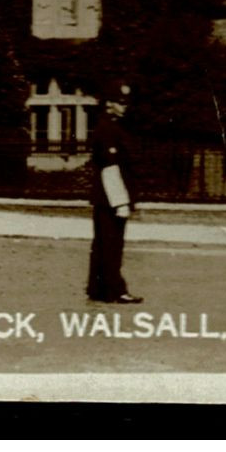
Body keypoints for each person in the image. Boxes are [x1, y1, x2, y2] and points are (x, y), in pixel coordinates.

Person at [87, 85, 143, 304]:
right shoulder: (108, 130)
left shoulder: (109, 127)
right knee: (111, 245)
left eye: (126, 103)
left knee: (102, 244)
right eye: (120, 102)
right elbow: (110, 168)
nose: (124, 107)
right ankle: (115, 290)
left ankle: (97, 288)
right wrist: (121, 202)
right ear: (109, 104)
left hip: (106, 198)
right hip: (111, 198)